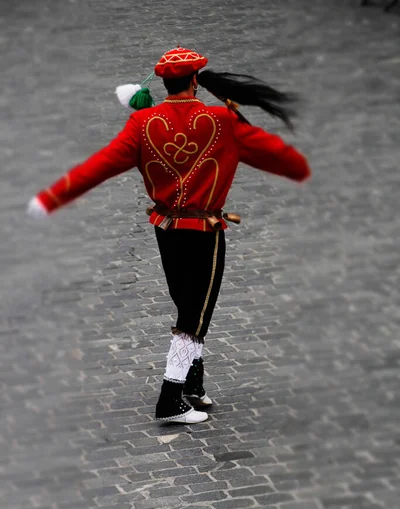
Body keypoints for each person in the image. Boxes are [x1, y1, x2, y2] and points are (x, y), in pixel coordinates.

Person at [27, 46, 311, 424]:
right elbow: (278, 154)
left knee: (189, 306)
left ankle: (194, 388)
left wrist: (50, 198)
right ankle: (171, 398)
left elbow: (99, 166)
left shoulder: (141, 123)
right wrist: (305, 172)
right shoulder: (223, 120)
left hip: (166, 229)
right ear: (195, 81)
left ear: (164, 83)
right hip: (205, 229)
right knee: (195, 314)